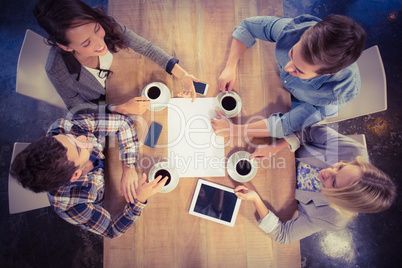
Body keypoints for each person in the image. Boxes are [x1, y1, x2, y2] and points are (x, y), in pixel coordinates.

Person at [10, 113, 168, 238]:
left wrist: (128, 166)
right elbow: (112, 230)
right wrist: (138, 200)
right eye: (79, 149)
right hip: (112, 197)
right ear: (75, 175)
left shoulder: (63, 128)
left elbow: (123, 123)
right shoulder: (70, 206)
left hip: (118, 165)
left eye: (70, 138)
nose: (82, 137)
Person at [233, 125, 397, 244]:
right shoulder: (354, 151)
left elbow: (284, 235)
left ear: (339, 201)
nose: (328, 171)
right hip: (281, 153)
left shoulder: (333, 218)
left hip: (273, 187)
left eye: (333, 182)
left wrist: (255, 199)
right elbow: (309, 131)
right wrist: (275, 148)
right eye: (340, 166)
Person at [212, 14, 366, 138]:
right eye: (292, 53)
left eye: (298, 70)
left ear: (328, 73)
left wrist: (233, 130)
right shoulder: (294, 30)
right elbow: (248, 26)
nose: (286, 67)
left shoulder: (334, 97)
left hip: (298, 105)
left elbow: (285, 125)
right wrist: (230, 66)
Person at [33, 0, 198, 114]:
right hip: (107, 105)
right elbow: (78, 108)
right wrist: (117, 108)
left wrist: (181, 73)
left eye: (97, 29)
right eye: (86, 44)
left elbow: (145, 47)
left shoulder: (106, 23)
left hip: (122, 84)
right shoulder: (57, 70)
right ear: (65, 47)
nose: (100, 43)